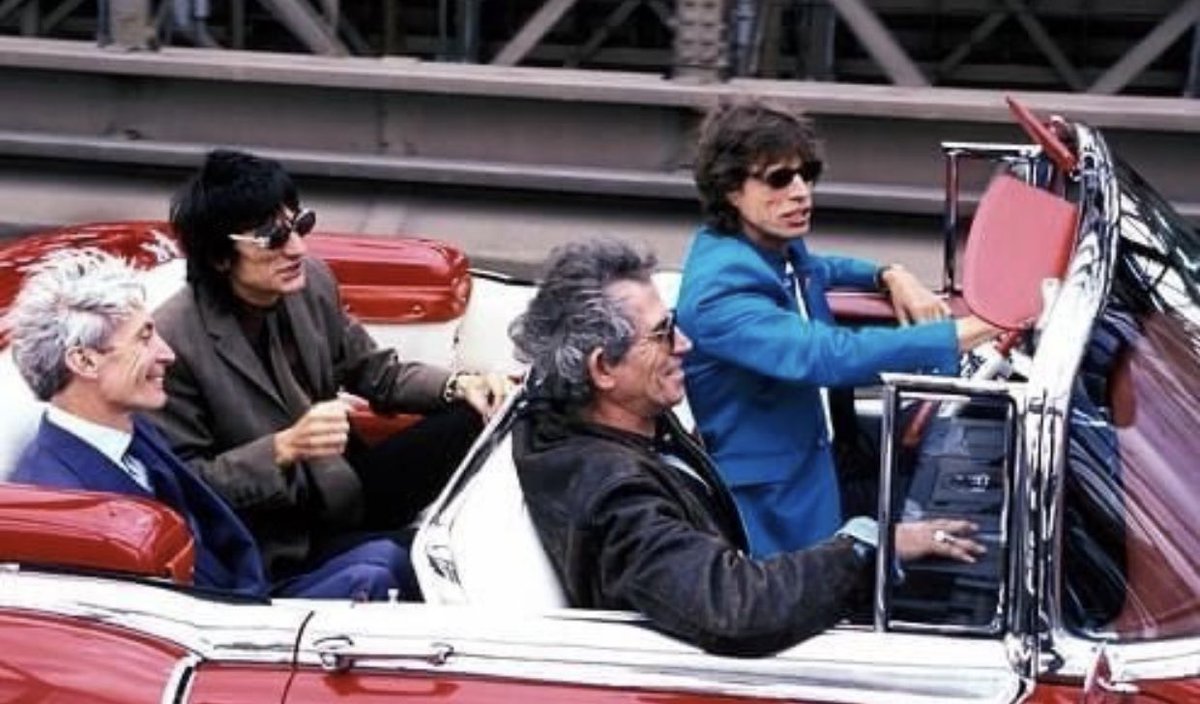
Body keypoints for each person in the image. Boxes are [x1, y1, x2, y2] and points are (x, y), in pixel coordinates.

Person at [509, 238, 983, 656]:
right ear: (603, 370)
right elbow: (733, 607)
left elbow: (812, 268)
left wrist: (886, 273)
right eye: (662, 334)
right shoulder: (614, 497)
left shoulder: (613, 413)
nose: (686, 344)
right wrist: (873, 543)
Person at [151, 149, 508, 594]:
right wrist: (282, 449)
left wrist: (460, 385)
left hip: (344, 483)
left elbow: (377, 374)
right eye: (273, 238)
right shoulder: (172, 342)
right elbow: (187, 487)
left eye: (300, 225)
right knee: (446, 565)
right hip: (283, 536)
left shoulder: (311, 283)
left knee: (493, 411)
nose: (297, 248)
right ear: (220, 257)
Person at [677, 100, 1001, 558]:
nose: (801, 192)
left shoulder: (771, 247)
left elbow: (822, 270)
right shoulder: (719, 291)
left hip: (825, 457)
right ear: (730, 190)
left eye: (806, 174)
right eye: (778, 179)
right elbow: (826, 356)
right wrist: (971, 330)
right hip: (777, 500)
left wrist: (889, 274)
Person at [9, 250, 267, 597]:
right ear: (85, 361)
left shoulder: (135, 429)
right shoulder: (59, 500)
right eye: (144, 338)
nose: (167, 354)